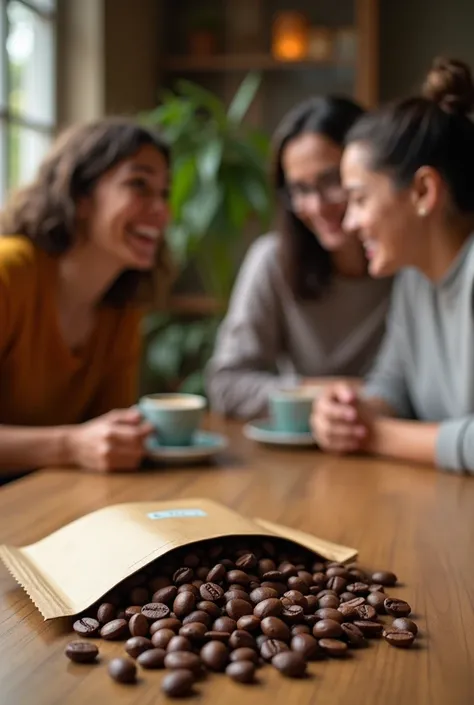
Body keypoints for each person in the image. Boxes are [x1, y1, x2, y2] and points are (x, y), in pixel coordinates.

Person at [311, 57, 474, 474]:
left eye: (360, 199)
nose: (349, 223)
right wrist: (351, 414)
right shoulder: (414, 279)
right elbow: (392, 385)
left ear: (422, 191)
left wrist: (378, 435)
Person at [0, 118, 171, 474]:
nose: (161, 210)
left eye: (164, 193)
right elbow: (82, 444)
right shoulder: (8, 271)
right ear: (81, 197)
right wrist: (70, 445)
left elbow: (106, 433)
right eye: (139, 185)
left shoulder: (121, 308)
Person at [207, 97, 392, 419]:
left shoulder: (409, 265)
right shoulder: (273, 261)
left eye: (331, 181)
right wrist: (329, 397)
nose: (317, 206)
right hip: (301, 452)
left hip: (397, 445)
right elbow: (226, 383)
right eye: (300, 190)